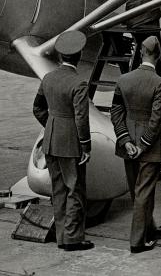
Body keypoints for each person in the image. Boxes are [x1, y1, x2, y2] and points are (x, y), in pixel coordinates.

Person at [33, 31, 94, 252]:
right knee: (75, 190)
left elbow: (37, 108)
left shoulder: (48, 78)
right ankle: (73, 239)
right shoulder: (79, 83)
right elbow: (81, 118)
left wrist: (51, 124)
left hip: (50, 140)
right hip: (70, 143)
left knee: (58, 190)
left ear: (60, 56)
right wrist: (85, 145)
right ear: (78, 56)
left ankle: (61, 237)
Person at [111, 36, 161, 254]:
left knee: (138, 192)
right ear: (158, 55)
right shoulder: (160, 84)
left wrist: (126, 141)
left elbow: (116, 112)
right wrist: (143, 144)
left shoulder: (124, 80)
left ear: (141, 52)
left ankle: (150, 229)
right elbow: (156, 119)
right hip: (149, 146)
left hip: (128, 144)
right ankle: (138, 241)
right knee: (145, 191)